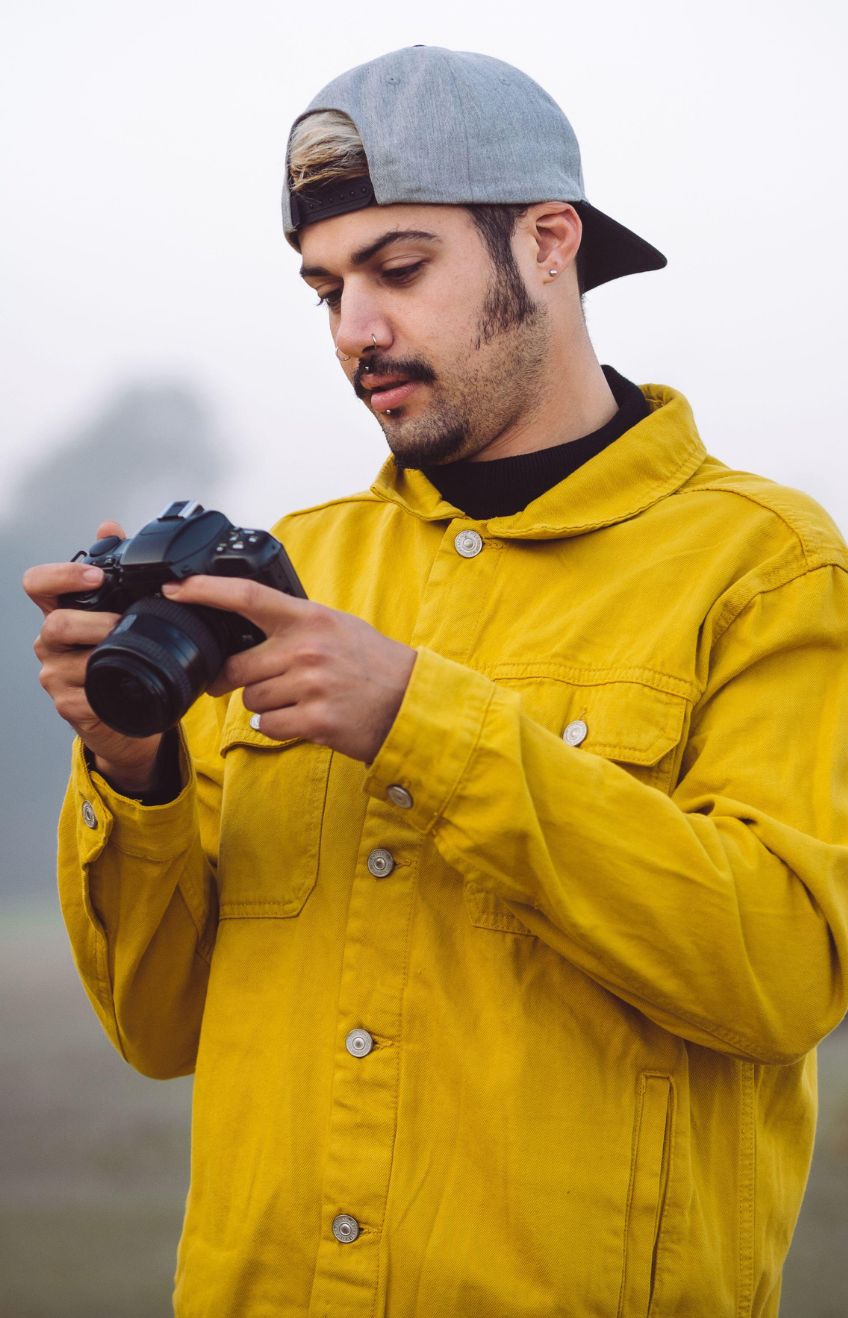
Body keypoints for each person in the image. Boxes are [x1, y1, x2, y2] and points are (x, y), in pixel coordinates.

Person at [24, 45, 848, 1318]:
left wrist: (421, 718)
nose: (356, 329)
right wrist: (131, 762)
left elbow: (784, 973)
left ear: (548, 242)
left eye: (399, 269)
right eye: (325, 288)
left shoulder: (765, 567)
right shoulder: (293, 569)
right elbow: (157, 1027)